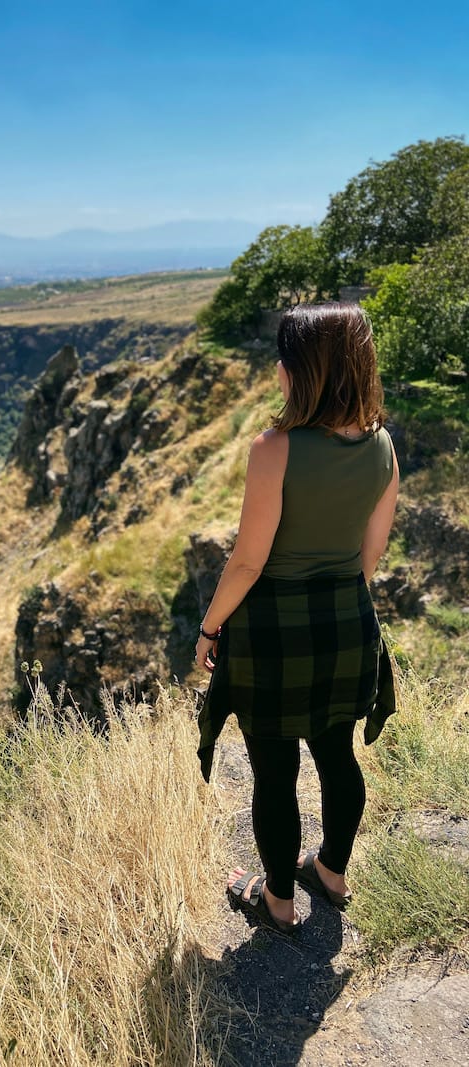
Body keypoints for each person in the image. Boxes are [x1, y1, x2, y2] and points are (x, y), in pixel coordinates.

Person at [195, 302, 399, 933]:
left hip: (272, 630)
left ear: (303, 371)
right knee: (338, 756)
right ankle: (332, 872)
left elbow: (248, 563)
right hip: (346, 619)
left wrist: (208, 630)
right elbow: (371, 556)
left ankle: (278, 902)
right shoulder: (382, 444)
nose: (277, 368)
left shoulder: (274, 448)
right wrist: (334, 600)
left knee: (275, 772)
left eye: (285, 358)